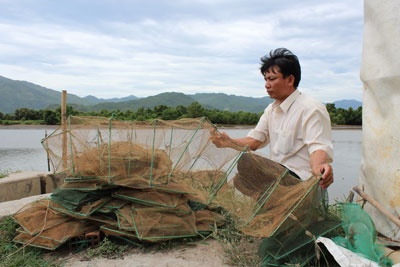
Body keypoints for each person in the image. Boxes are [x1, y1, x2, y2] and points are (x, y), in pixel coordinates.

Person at [211, 48, 333, 189]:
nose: (266, 85)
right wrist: (229, 142)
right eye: (265, 79)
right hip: (278, 174)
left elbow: (318, 147)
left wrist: (319, 168)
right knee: (240, 181)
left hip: (301, 179)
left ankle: (284, 199)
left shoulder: (311, 108)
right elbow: (255, 141)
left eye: (272, 79)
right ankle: (273, 203)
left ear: (290, 80)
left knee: (247, 162)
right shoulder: (271, 110)